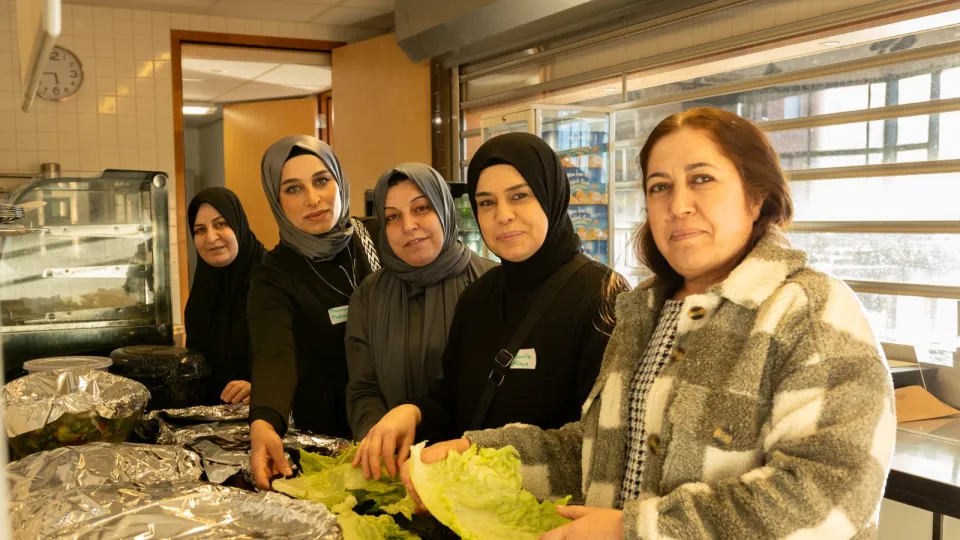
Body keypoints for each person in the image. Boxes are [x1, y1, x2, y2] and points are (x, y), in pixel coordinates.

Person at [404, 108, 896, 539]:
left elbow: (830, 494)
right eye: (659, 187)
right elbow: (593, 453)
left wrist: (635, 531)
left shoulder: (809, 309)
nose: (678, 205)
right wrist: (474, 454)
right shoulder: (642, 314)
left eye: (701, 179)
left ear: (756, 197)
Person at [355, 132, 629, 480]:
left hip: (548, 517)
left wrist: (477, 453)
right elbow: (450, 399)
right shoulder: (478, 296)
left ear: (551, 196)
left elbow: (599, 444)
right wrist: (412, 413)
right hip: (470, 508)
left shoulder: (602, 296)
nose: (503, 215)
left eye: (519, 196)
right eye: (486, 202)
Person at [248, 135, 381, 490]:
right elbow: (275, 355)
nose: (313, 198)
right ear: (276, 200)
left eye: (322, 180)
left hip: (398, 421)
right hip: (330, 439)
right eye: (293, 189)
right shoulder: (273, 274)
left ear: (339, 181)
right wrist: (264, 421)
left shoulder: (377, 238)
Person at [345, 163, 496, 441]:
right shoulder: (368, 295)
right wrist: (376, 441)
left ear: (444, 209)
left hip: (475, 463)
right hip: (393, 465)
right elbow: (364, 388)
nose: (408, 226)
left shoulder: (491, 283)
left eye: (421, 208)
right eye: (392, 217)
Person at [184, 187, 266, 406]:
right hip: (210, 425)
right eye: (200, 230)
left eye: (220, 224)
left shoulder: (273, 280)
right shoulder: (204, 287)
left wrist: (263, 388)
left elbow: (308, 358)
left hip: (269, 418)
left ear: (238, 224)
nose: (211, 238)